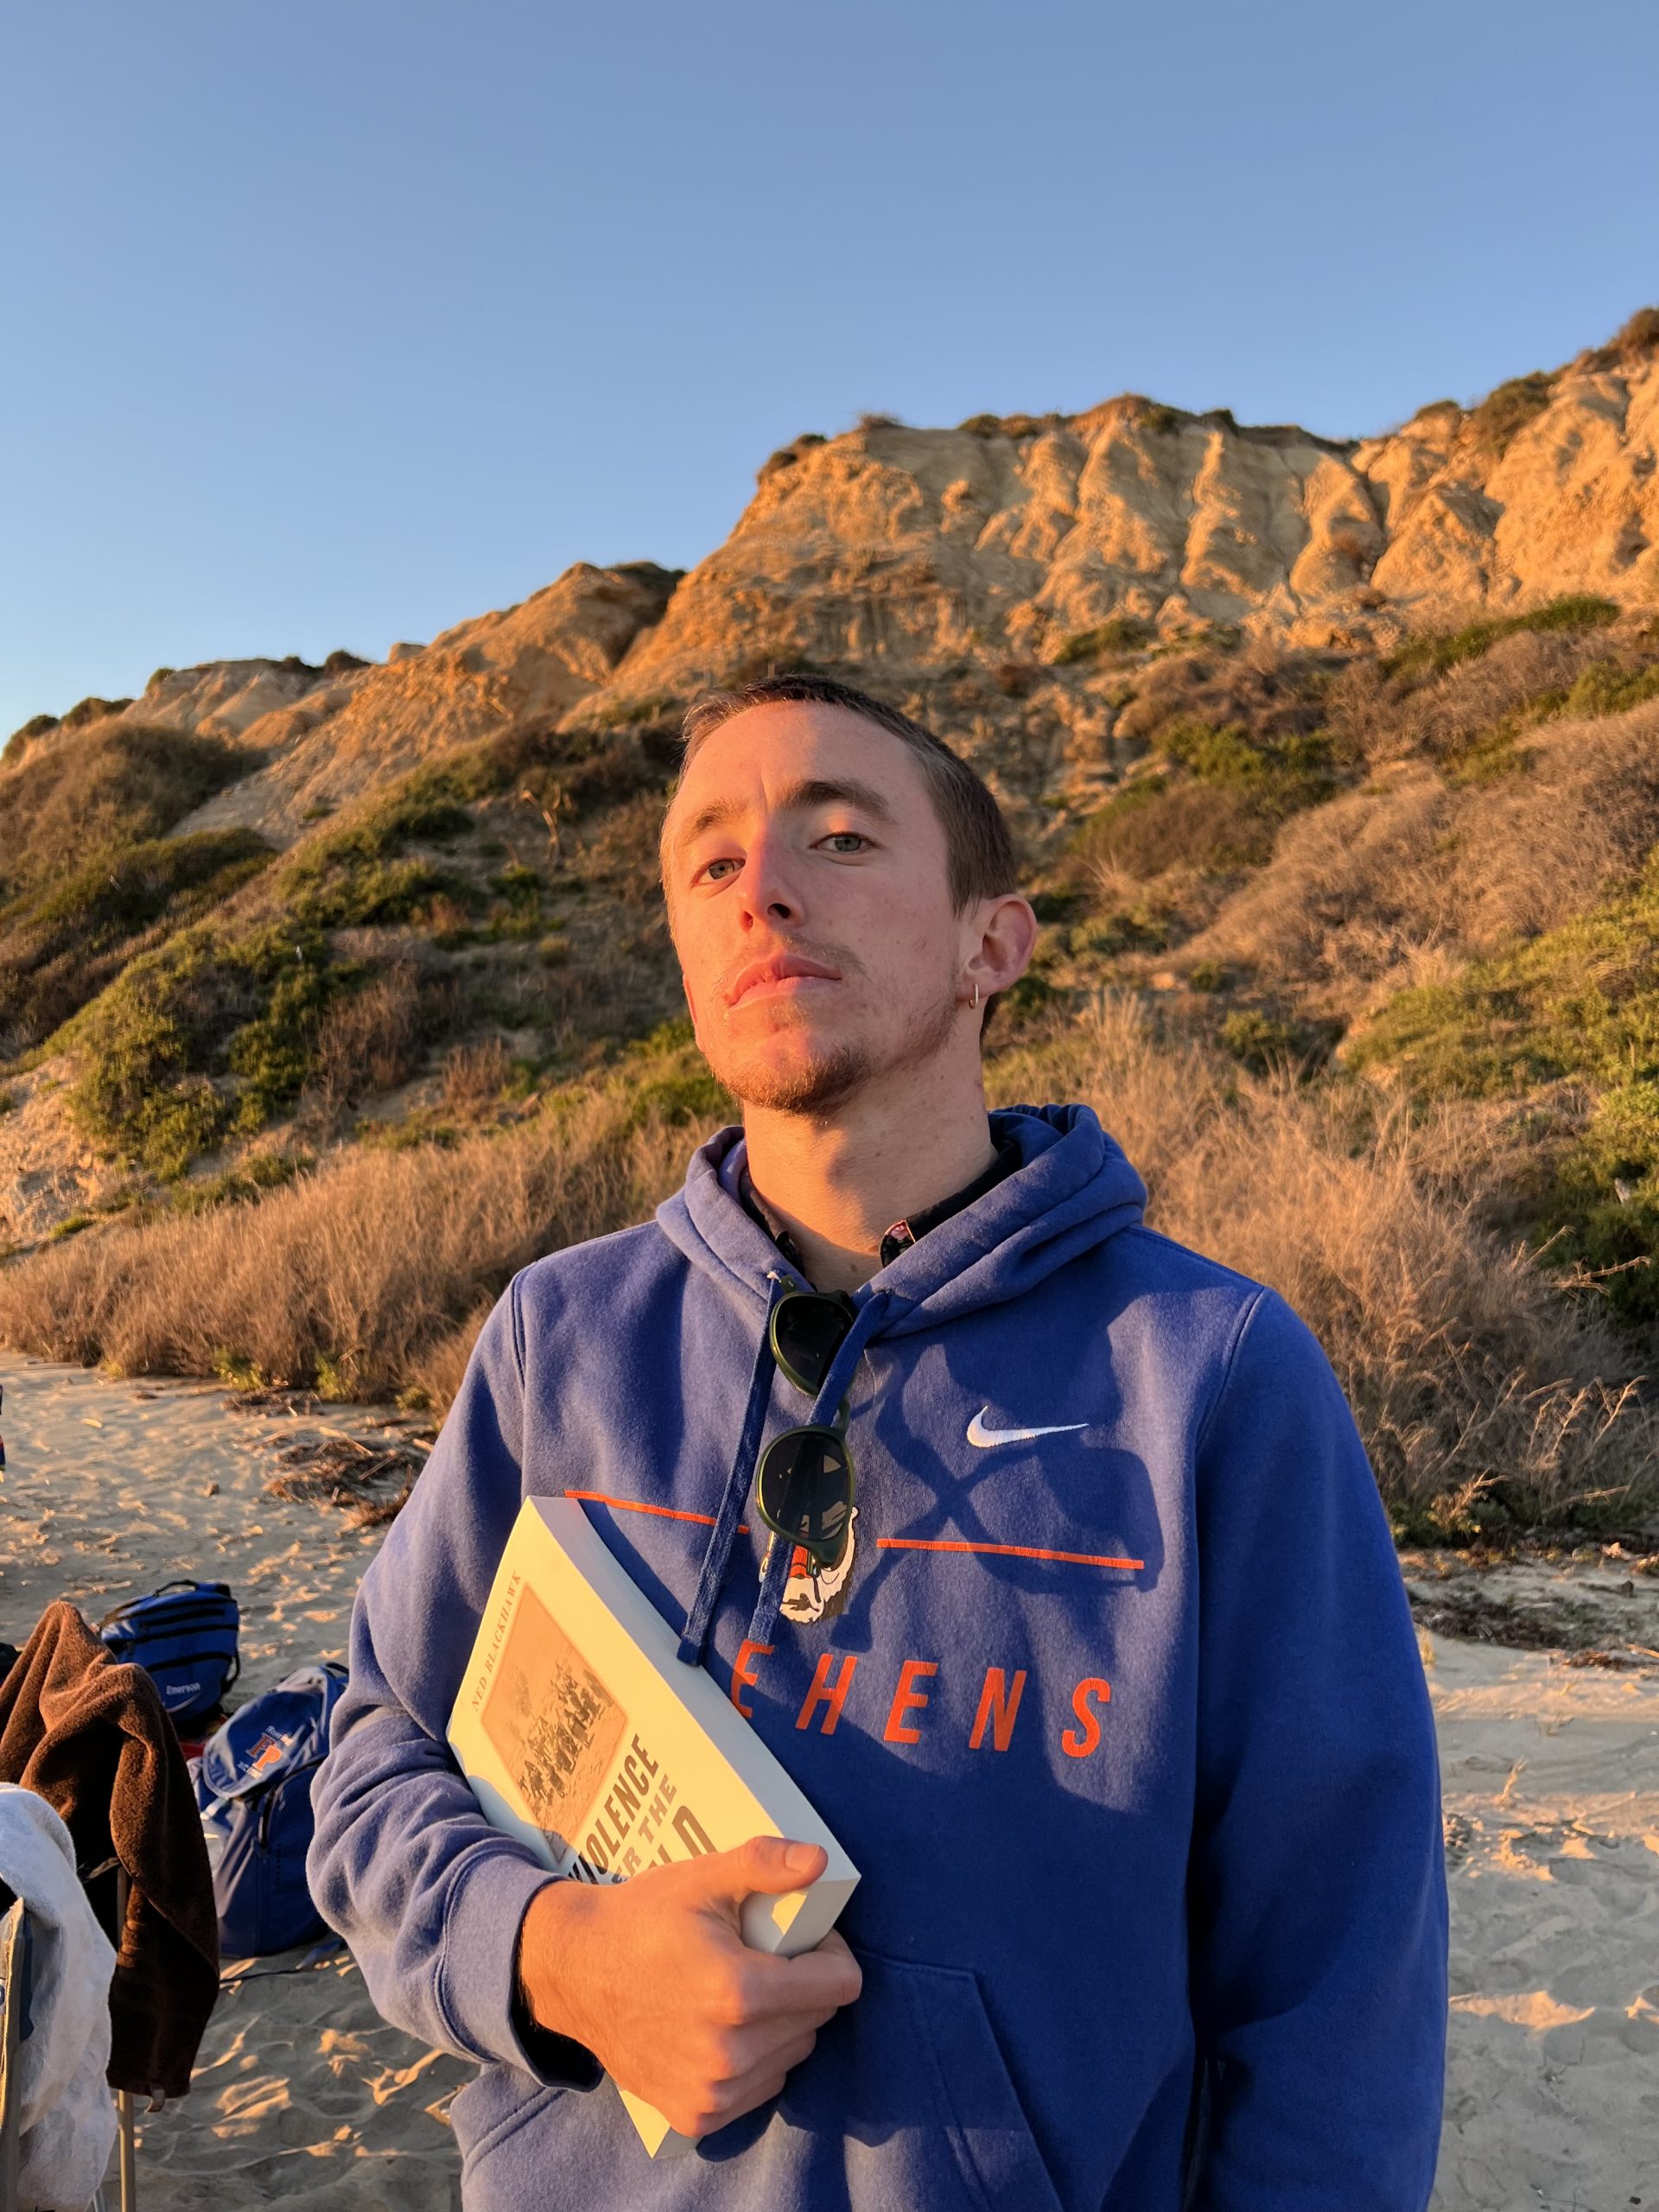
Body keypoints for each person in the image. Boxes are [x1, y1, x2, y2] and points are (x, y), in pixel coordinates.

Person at [308, 672, 1448, 2211]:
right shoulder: (556, 1339)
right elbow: (375, 1749)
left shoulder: (1214, 1374)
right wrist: (554, 1957)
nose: (762, 890)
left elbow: (1339, 1994)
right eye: (711, 862)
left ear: (994, 943)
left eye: (838, 837)